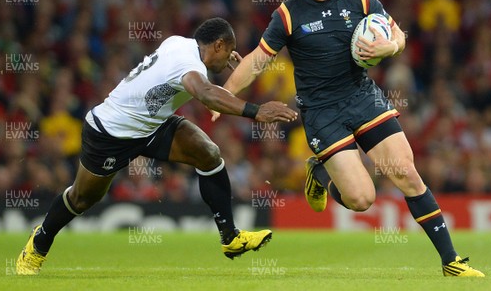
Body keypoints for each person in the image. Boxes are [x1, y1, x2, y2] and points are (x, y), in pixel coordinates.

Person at [215, 0, 484, 277]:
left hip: (362, 97)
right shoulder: (288, 14)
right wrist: (224, 96)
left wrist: (391, 46)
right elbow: (257, 60)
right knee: (361, 200)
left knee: (406, 173)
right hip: (322, 112)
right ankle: (322, 174)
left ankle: (451, 262)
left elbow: (396, 32)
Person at [16, 17, 298, 275]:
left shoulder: (178, 42)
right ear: (219, 44)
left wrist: (221, 67)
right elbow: (205, 93)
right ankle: (39, 242)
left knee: (209, 154)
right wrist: (257, 112)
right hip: (111, 132)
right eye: (228, 51)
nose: (229, 58)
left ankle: (230, 238)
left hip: (152, 126)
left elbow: (203, 82)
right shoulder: (190, 67)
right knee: (83, 198)